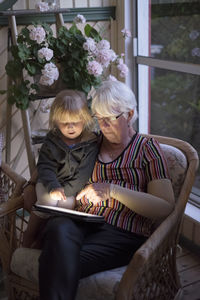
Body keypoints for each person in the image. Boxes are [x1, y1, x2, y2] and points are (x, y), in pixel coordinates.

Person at [38, 80, 175, 300]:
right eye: (99, 119)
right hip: (82, 222)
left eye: (109, 119)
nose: (103, 126)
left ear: (129, 115)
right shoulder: (90, 144)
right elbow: (54, 164)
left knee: (56, 259)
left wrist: (112, 190)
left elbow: (164, 206)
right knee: (58, 226)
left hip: (123, 234)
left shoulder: (147, 149)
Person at [23, 89, 99, 248]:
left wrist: (66, 192)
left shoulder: (89, 143)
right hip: (48, 183)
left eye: (75, 122)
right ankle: (28, 237)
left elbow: (83, 175)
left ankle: (44, 239)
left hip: (71, 189)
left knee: (65, 208)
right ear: (56, 121)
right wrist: (54, 187)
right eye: (64, 123)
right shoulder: (53, 139)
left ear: (84, 119)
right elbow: (44, 166)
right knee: (47, 202)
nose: (70, 127)